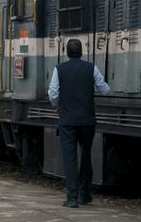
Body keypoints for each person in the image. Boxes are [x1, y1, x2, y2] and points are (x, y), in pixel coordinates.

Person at [47, 39, 110, 208]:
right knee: (86, 156)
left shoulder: (59, 69)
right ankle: (85, 194)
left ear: (67, 53)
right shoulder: (91, 68)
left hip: (67, 120)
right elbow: (104, 89)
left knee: (70, 158)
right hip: (87, 120)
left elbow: (53, 94)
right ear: (82, 52)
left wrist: (59, 104)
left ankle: (72, 197)